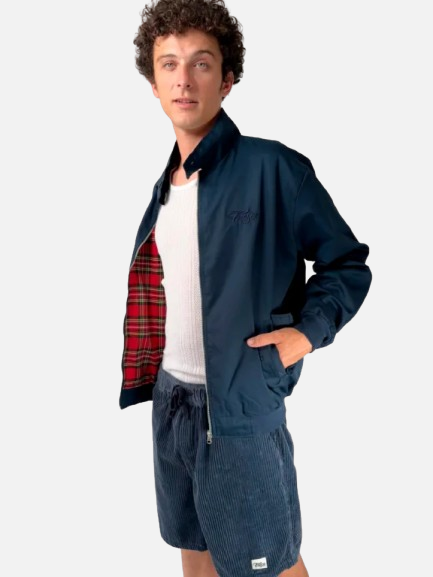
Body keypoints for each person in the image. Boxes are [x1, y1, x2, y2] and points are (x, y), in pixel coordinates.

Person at [119, 1, 372, 575]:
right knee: (195, 552)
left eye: (202, 63)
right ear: (154, 84)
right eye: (169, 64)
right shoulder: (164, 189)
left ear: (227, 79)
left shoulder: (273, 169)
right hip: (173, 404)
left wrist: (304, 336)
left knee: (270, 564)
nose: (184, 79)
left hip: (241, 409)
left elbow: (347, 264)